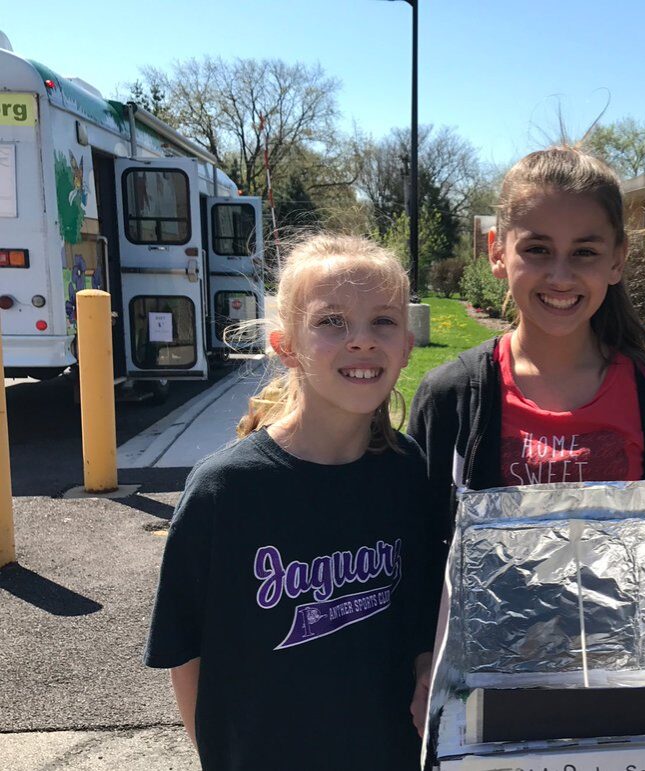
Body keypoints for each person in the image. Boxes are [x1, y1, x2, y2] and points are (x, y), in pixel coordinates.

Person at [145, 234, 436, 770]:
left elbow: (421, 614)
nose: (362, 341)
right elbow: (183, 653)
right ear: (285, 346)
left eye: (383, 322)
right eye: (331, 322)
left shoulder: (410, 474)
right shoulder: (225, 491)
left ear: (407, 347)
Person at [409, 146, 645, 554]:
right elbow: (417, 552)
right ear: (497, 251)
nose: (561, 277)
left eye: (585, 252)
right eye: (537, 249)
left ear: (617, 259)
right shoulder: (450, 399)